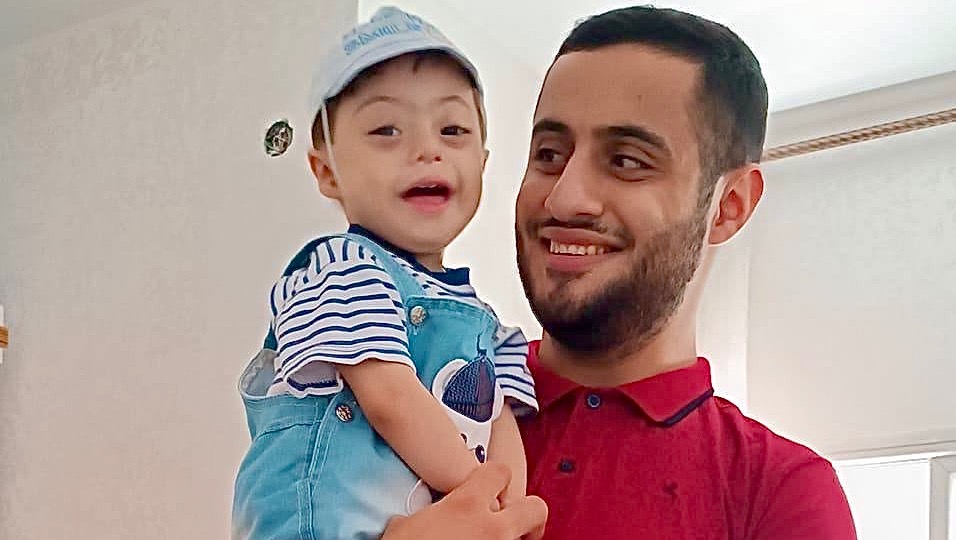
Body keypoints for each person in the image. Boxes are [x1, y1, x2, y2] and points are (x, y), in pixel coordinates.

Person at [384, 5, 858, 539]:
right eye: (549, 154)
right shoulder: (402, 392)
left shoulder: (781, 492)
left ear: (728, 206)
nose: (564, 198)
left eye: (627, 161)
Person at [231, 7, 538, 539]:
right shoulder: (342, 267)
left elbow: (501, 426)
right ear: (327, 171)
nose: (427, 150)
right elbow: (390, 398)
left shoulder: (490, 327)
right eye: (386, 130)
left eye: (453, 129)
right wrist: (483, 502)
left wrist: (508, 506)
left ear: (482, 163)